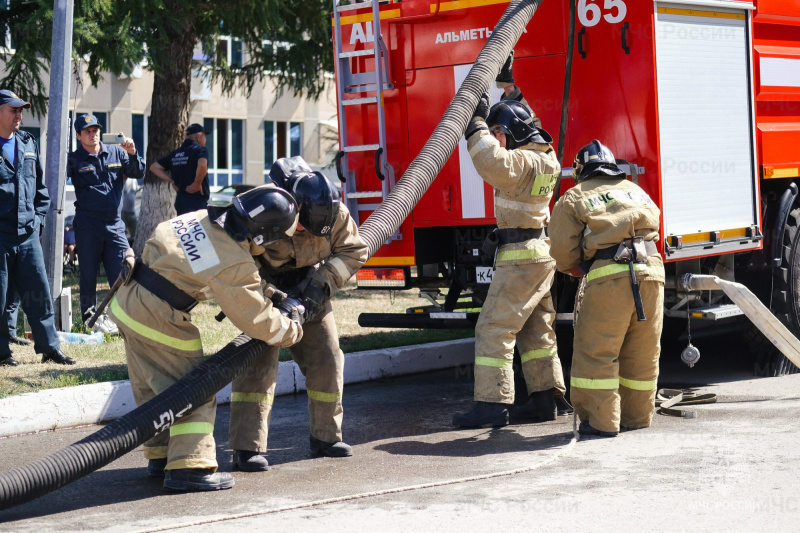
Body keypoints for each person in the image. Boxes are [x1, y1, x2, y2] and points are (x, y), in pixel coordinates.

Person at [108, 186, 305, 491]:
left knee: (157, 388)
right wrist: (293, 328)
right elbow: (256, 319)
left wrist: (270, 293)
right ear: (265, 235)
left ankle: (161, 457)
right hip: (158, 316)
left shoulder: (201, 219)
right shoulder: (234, 262)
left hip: (127, 301)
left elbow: (214, 266)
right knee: (193, 391)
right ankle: (191, 467)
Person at [228, 157, 368, 470]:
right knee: (257, 367)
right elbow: (238, 264)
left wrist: (317, 288)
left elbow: (354, 251)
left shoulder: (333, 211)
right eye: (302, 226)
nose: (306, 233)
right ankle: (246, 448)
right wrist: (273, 297)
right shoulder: (266, 210)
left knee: (328, 360)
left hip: (312, 288)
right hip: (266, 292)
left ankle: (326, 436)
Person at [451, 88, 566, 427]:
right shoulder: (547, 159)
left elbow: (490, 160)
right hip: (541, 254)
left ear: (514, 133)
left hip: (520, 258)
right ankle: (545, 398)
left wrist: (475, 124)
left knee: (493, 328)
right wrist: (511, 87)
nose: (499, 139)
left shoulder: (522, 163)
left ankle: (492, 404)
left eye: (502, 133)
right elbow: (530, 124)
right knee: (536, 330)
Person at [549, 140, 664, 437]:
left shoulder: (573, 197)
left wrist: (580, 269)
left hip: (609, 278)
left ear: (580, 172)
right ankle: (637, 416)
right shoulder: (636, 190)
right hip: (652, 273)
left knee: (597, 351)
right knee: (642, 351)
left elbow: (562, 252)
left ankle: (600, 422)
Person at [0, 89, 74, 366]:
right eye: (13, 109)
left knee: (38, 293)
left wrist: (39, 219)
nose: (19, 114)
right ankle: (2, 352)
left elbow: (40, 189)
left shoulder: (27, 143)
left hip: (28, 232)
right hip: (2, 234)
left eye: (21, 110)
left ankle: (50, 348)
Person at [67, 113, 145, 334]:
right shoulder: (74, 159)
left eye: (96, 130)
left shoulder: (117, 152)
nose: (93, 134)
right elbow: (57, 176)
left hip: (114, 225)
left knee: (123, 272)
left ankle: (123, 319)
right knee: (88, 274)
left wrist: (132, 152)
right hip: (88, 225)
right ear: (79, 135)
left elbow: (138, 171)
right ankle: (89, 319)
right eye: (88, 131)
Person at [150, 123, 210, 215]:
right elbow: (202, 164)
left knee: (184, 229)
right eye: (204, 136)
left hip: (181, 201)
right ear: (198, 137)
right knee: (198, 229)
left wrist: (172, 181)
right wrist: (196, 183)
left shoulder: (175, 154)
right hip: (197, 202)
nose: (205, 140)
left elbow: (154, 167)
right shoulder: (200, 150)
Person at [121, 178, 140, 242]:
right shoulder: (120, 179)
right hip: (122, 212)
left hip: (132, 212)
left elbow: (137, 190)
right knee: (120, 234)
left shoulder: (133, 179)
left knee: (135, 234)